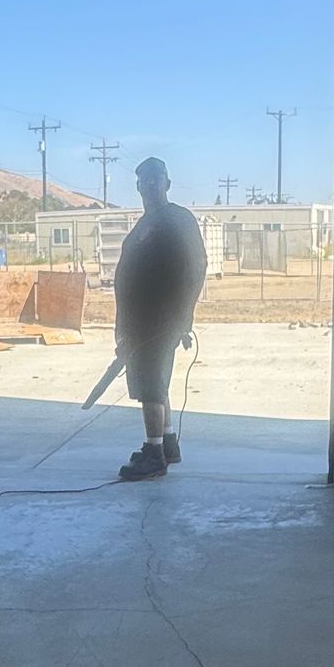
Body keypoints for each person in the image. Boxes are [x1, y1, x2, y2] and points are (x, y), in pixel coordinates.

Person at [112, 157, 206, 480]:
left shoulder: (178, 220)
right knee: (155, 381)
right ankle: (166, 442)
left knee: (150, 383)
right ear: (138, 186)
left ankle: (154, 457)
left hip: (161, 320)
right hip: (138, 322)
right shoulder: (145, 224)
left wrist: (184, 316)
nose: (151, 185)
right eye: (145, 180)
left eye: (157, 178)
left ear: (167, 183)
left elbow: (197, 268)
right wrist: (121, 325)